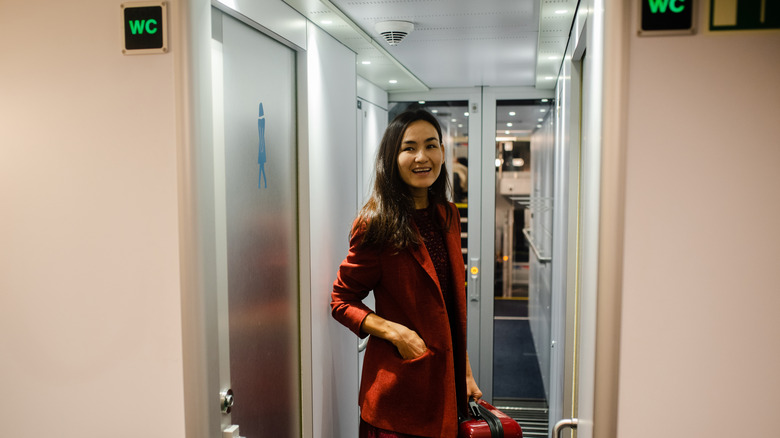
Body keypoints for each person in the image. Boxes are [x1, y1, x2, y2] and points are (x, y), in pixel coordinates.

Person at [331, 109, 482, 438]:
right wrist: (395, 333)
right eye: (409, 147)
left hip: (446, 391)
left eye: (431, 145)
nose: (422, 157)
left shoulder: (447, 216)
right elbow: (341, 300)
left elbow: (451, 308)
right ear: (392, 157)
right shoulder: (376, 224)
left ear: (442, 151)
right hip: (398, 400)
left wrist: (465, 371)